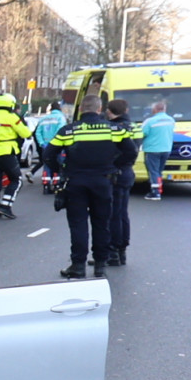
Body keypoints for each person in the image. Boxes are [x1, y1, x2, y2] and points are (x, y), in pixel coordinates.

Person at [47, 100, 134, 278]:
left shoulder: (69, 130)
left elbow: (48, 154)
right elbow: (131, 152)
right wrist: (114, 165)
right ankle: (100, 265)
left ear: (80, 109)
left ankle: (78, 265)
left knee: (78, 224)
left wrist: (62, 169)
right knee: (102, 223)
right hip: (103, 181)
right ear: (100, 109)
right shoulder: (114, 130)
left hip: (76, 181)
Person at [0, 93, 33, 220]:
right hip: (6, 151)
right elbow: (25, 133)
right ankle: (5, 206)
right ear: (11, 104)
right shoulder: (12, 117)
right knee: (16, 180)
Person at [103, 98, 139, 266]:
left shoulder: (113, 129)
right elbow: (135, 149)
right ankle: (122, 250)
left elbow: (121, 151)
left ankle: (113, 252)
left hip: (116, 172)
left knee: (113, 214)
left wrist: (114, 164)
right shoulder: (134, 127)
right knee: (122, 213)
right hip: (127, 172)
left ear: (110, 111)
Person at [139, 99, 175, 200]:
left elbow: (142, 133)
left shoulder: (150, 121)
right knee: (159, 170)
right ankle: (159, 188)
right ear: (164, 109)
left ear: (154, 109)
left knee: (153, 171)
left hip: (152, 149)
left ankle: (155, 192)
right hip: (166, 149)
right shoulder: (171, 120)